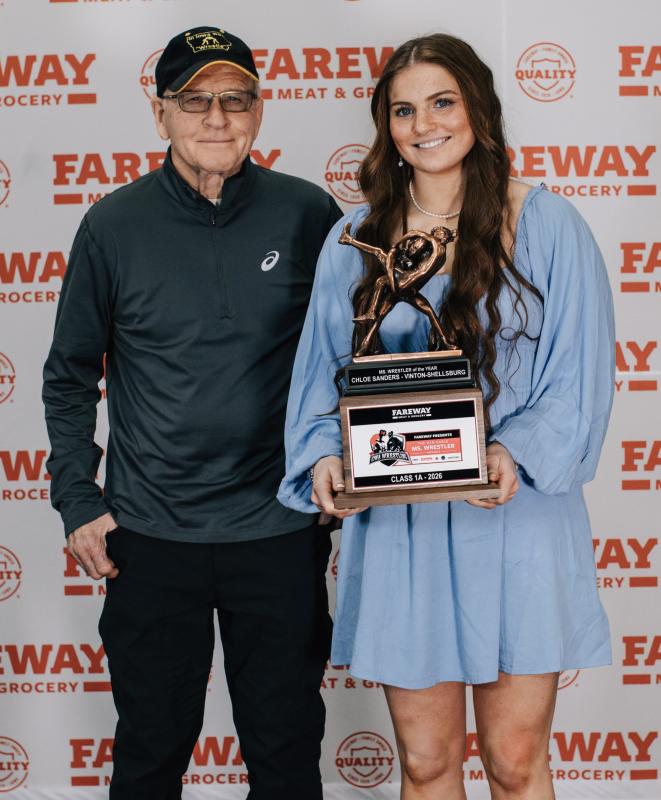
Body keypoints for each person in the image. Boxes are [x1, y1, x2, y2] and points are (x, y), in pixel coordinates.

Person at [278, 33, 615, 800]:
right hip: (403, 528)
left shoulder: (547, 224)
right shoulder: (353, 240)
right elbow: (317, 380)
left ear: (478, 111)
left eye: (441, 102)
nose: (422, 124)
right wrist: (324, 457)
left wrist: (513, 453)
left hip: (514, 516)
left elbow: (579, 375)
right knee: (426, 763)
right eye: (403, 110)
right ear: (385, 126)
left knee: (514, 760)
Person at [43, 26, 342, 800]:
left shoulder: (310, 215)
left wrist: (344, 467)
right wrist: (78, 500)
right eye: (194, 100)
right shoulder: (112, 226)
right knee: (149, 756)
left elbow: (351, 359)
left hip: (278, 530)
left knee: (285, 758)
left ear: (258, 110)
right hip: (148, 537)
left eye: (234, 99)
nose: (216, 117)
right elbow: (69, 374)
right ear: (161, 114)